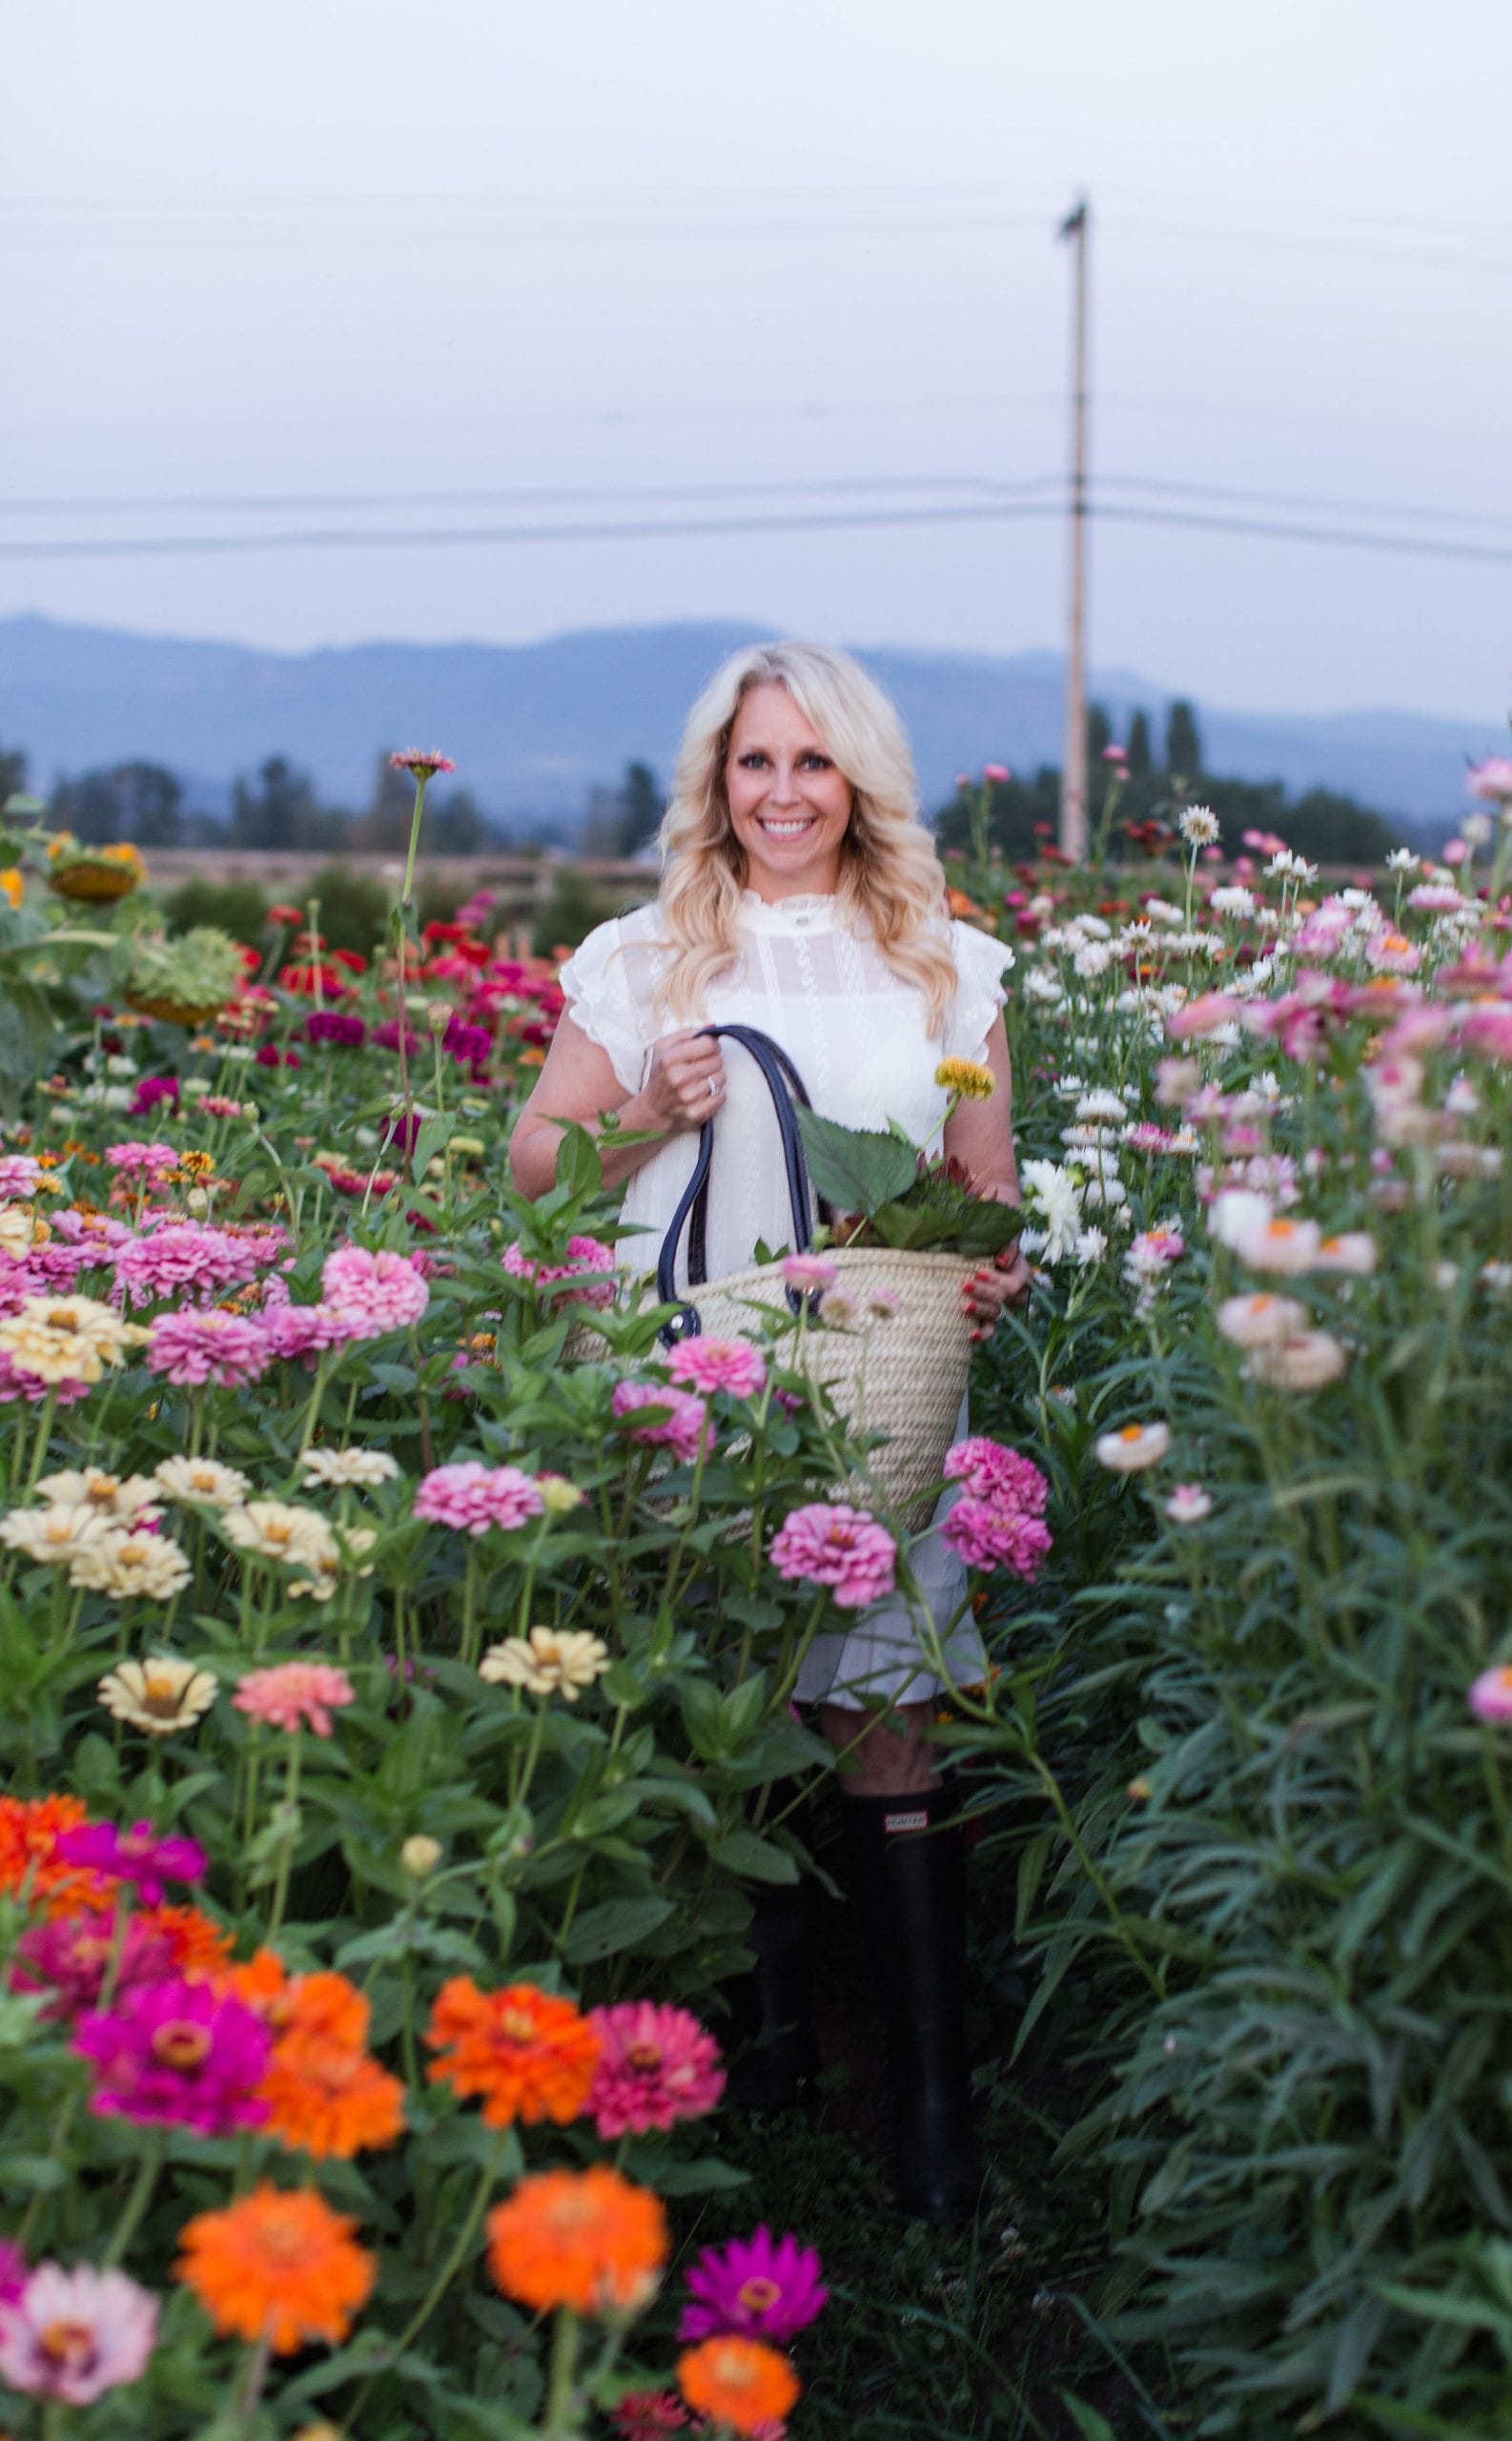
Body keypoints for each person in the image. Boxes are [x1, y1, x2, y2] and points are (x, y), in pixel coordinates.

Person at [510, 641, 1027, 2221]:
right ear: (715, 783)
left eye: (814, 763)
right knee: (724, 1678)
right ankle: (770, 2052)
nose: (784, 792)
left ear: (860, 781)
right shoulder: (645, 952)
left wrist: (988, 1274)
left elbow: (983, 1184)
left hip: (882, 1375)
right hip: (695, 1367)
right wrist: (640, 1120)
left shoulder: (947, 960)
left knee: (891, 1703)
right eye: (755, 763)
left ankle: (932, 2099)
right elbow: (531, 1166)